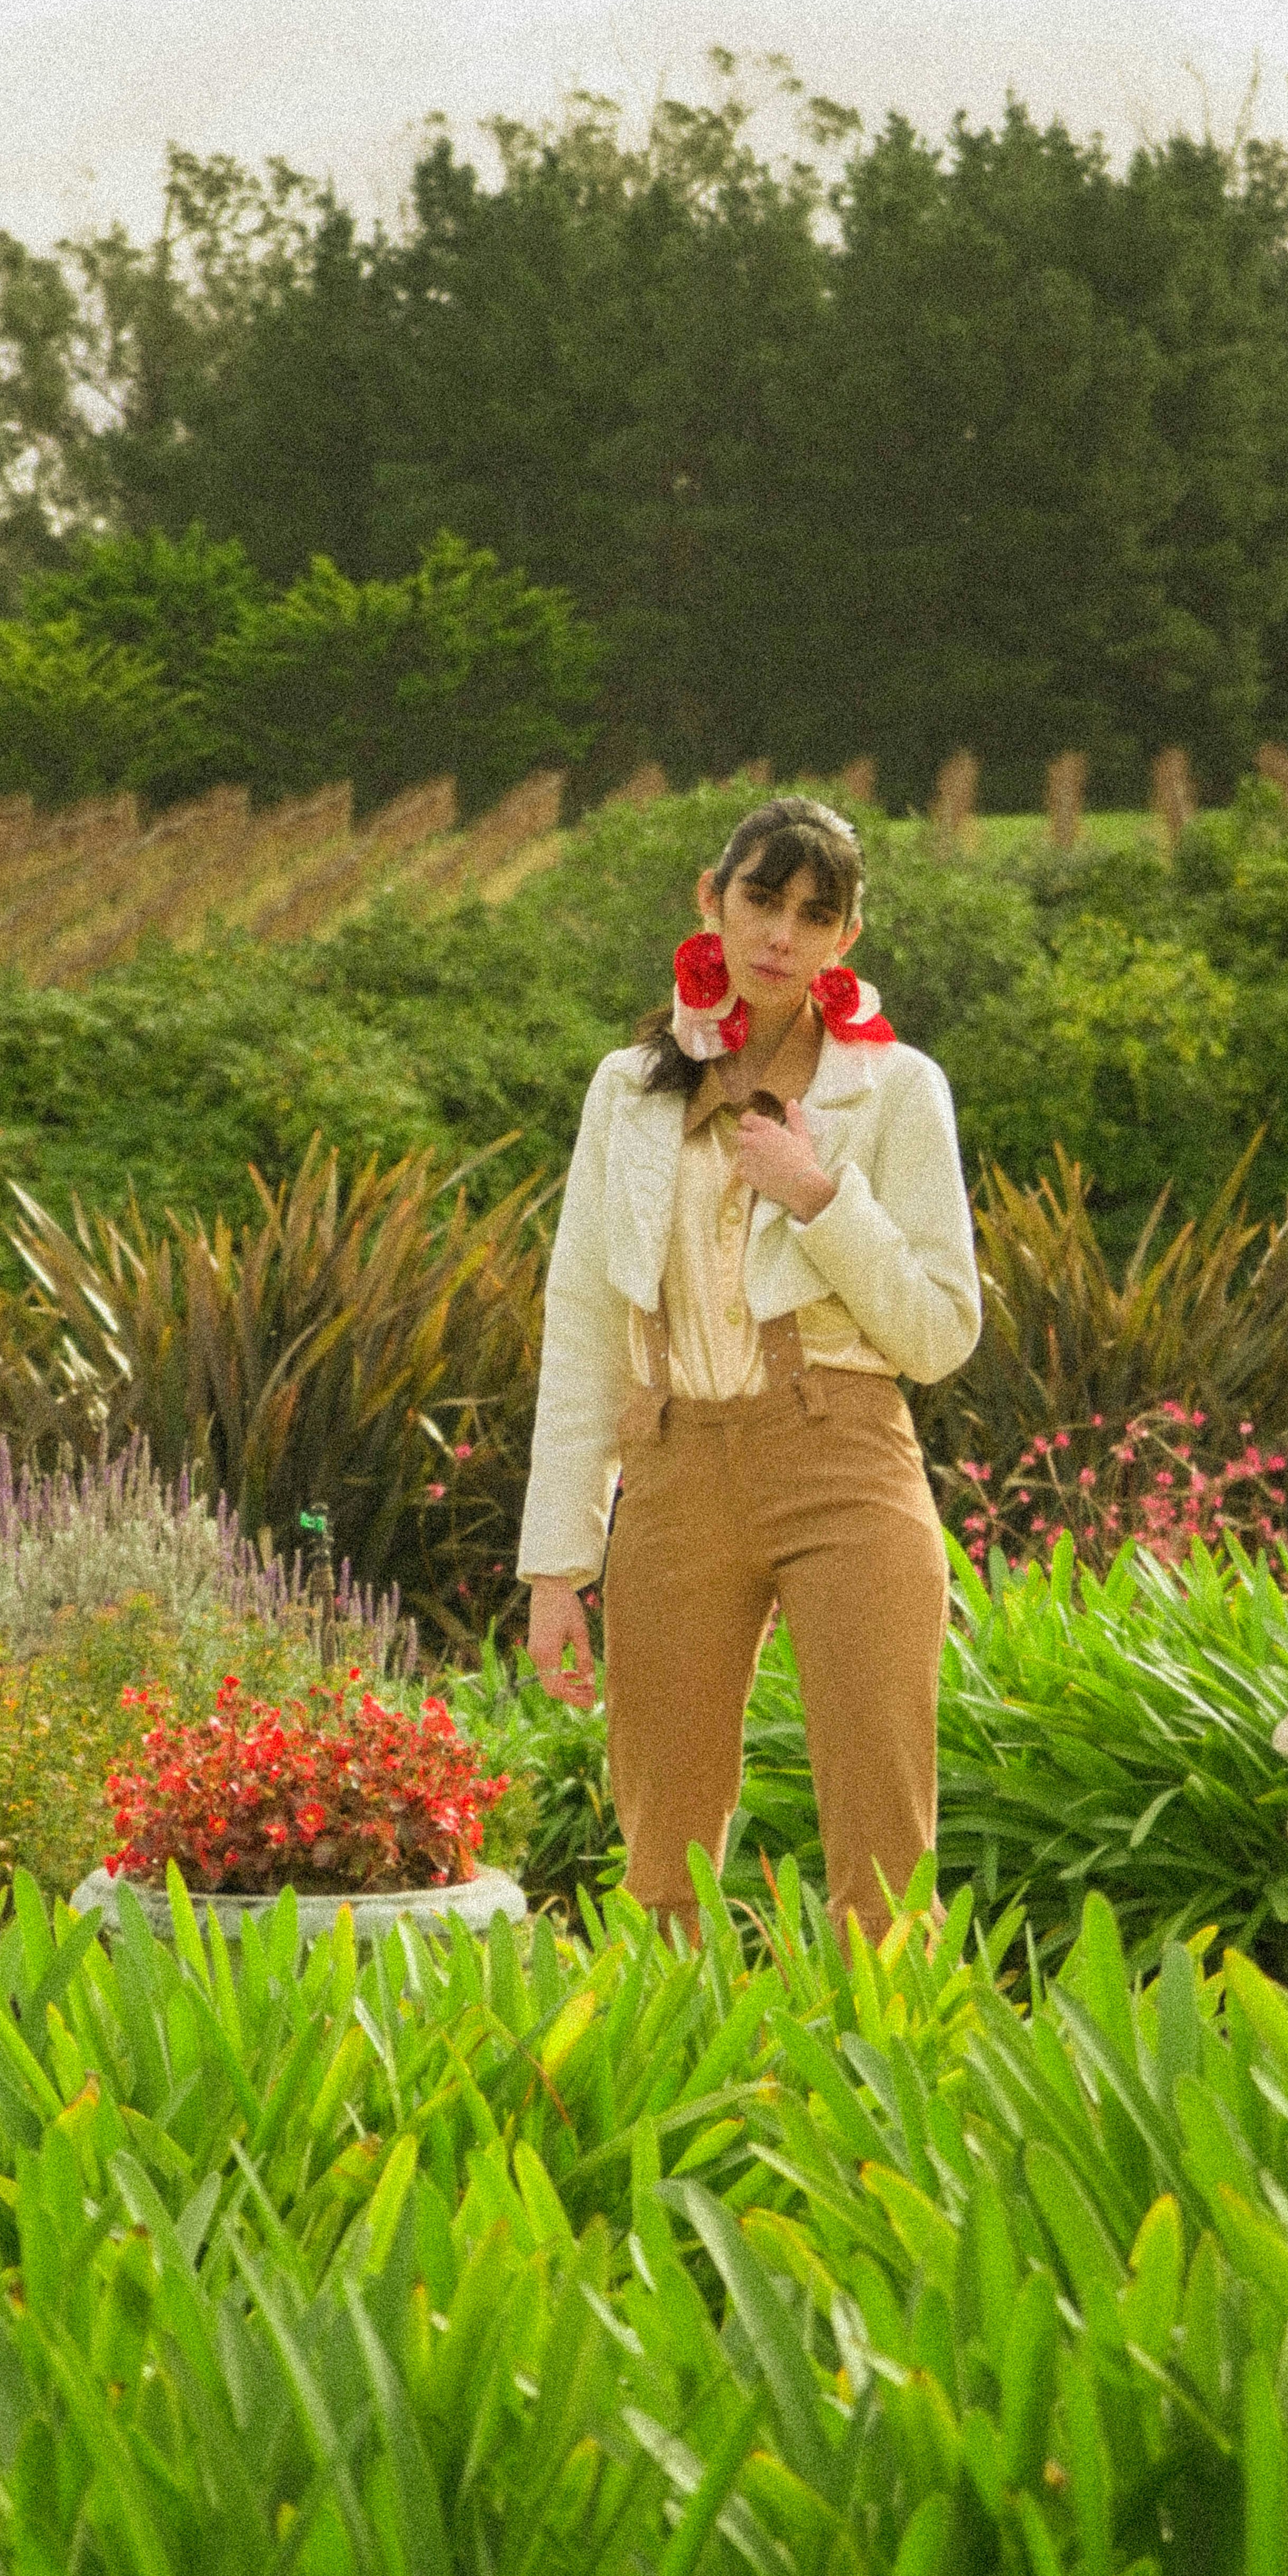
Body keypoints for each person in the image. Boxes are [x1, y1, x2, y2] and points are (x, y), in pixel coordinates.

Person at [518, 794, 981, 1941]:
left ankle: (887, 2090)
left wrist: (822, 1201)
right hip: (672, 1468)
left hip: (844, 1458)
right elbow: (581, 1323)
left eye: (812, 915)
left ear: (845, 942)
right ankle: (673, 2090)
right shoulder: (624, 1093)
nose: (780, 934)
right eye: (760, 900)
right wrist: (554, 1568)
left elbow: (938, 1333)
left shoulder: (896, 1088)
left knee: (881, 1842)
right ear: (709, 903)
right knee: (659, 1848)